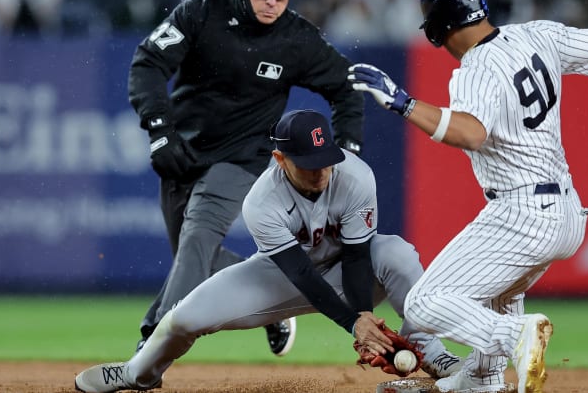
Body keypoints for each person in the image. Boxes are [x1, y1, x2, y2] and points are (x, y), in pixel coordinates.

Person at [347, 0, 588, 392]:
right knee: (498, 294)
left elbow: (472, 133)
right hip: (566, 212)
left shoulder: (476, 66)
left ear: (438, 30)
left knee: (424, 304)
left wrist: (403, 103)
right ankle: (482, 379)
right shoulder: (537, 34)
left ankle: (515, 337)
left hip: (522, 213)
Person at [74, 109, 462, 392]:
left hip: (347, 268)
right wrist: (351, 323)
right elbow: (300, 273)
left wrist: (362, 317)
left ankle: (431, 351)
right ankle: (138, 373)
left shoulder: (355, 175)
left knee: (396, 252)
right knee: (181, 319)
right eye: (308, 165)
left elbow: (359, 256)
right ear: (280, 159)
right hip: (285, 277)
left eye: (324, 161)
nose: (321, 172)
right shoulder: (261, 201)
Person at [126, 0, 366, 356]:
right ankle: (274, 298)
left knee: (199, 234)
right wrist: (159, 129)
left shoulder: (296, 37)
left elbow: (346, 88)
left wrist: (348, 150)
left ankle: (155, 338)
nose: (272, 2)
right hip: (183, 151)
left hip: (243, 157)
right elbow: (148, 62)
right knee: (194, 255)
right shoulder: (203, 11)